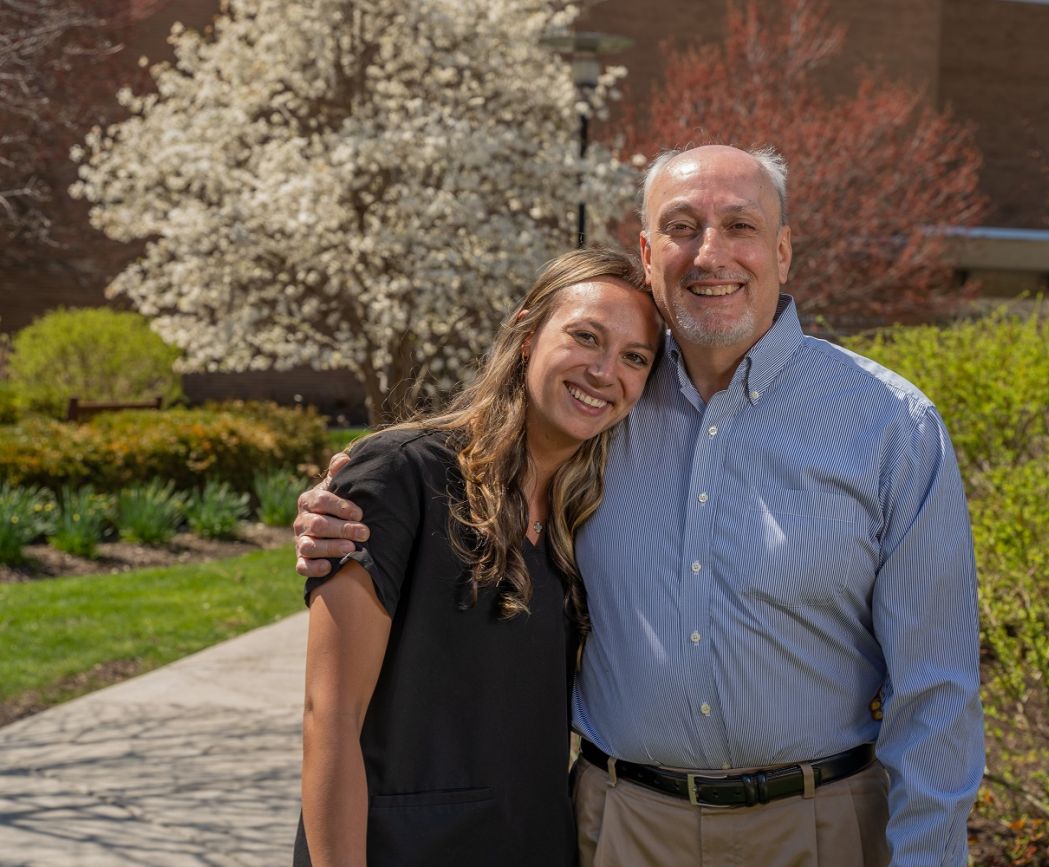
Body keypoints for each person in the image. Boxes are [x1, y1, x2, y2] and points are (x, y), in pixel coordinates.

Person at [295, 144, 984, 866]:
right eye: (683, 226)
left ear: (783, 250)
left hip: (822, 827)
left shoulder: (890, 425)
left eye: (740, 226)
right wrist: (350, 503)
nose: (710, 253)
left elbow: (935, 690)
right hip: (621, 830)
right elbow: (464, 475)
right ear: (650, 255)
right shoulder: (602, 410)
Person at [294, 247, 663, 867]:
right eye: (585, 337)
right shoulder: (400, 476)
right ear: (526, 335)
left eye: (634, 358)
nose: (605, 371)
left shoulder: (589, 519)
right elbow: (328, 717)